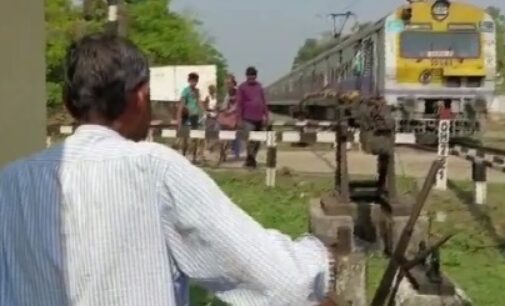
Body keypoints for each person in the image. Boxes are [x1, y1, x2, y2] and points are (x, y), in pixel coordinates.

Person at [0, 34, 339, 306]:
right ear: (141, 97)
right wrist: (321, 257)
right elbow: (277, 280)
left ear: (70, 104)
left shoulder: (9, 182)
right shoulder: (154, 169)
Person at [236, 66, 269, 168]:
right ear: (246, 76)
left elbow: (263, 101)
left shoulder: (259, 86)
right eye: (250, 75)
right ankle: (250, 158)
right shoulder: (242, 87)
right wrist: (239, 119)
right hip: (248, 118)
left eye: (253, 75)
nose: (251, 77)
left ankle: (252, 158)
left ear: (256, 76)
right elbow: (239, 104)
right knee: (250, 140)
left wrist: (266, 116)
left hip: (259, 117)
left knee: (258, 140)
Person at [177, 72, 205, 163]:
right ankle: (183, 156)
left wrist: (204, 111)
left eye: (195, 81)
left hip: (195, 116)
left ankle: (194, 157)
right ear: (189, 81)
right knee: (185, 138)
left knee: (195, 138)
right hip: (187, 116)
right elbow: (182, 104)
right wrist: (179, 118)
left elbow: (199, 102)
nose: (194, 83)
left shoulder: (197, 91)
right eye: (192, 81)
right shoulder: (186, 91)